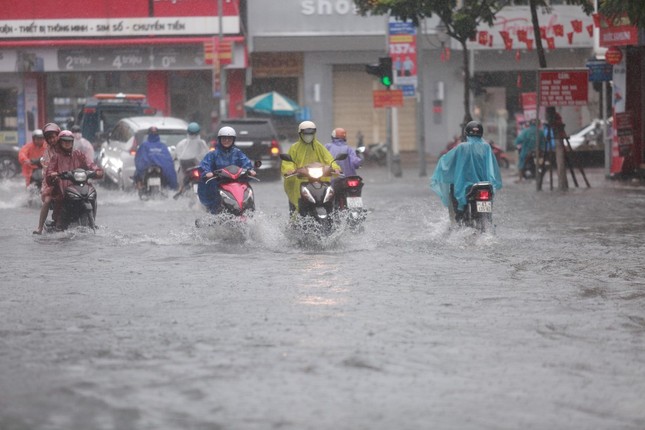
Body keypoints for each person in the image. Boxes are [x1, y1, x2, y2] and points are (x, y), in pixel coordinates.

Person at [431, 120, 502, 223]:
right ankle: (487, 222)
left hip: (465, 186)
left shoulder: (461, 147)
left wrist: (442, 163)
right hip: (484, 185)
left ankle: (460, 220)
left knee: (458, 209)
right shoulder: (486, 147)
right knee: (487, 216)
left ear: (466, 133)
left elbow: (447, 162)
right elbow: (493, 167)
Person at [45, 131, 104, 231]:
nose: (67, 143)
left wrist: (97, 170)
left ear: (73, 142)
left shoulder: (78, 154)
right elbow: (49, 171)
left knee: (92, 192)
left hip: (79, 185)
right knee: (59, 198)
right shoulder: (56, 157)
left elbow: (90, 164)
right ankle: (59, 224)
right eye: (64, 141)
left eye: (69, 141)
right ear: (60, 142)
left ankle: (92, 220)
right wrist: (53, 174)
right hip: (62, 187)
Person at [281, 120, 341, 214]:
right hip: (299, 180)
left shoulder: (319, 147)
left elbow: (328, 159)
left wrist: (335, 167)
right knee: (296, 209)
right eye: (306, 133)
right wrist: (289, 170)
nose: (308, 136)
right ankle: (295, 224)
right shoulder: (294, 148)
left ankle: (330, 219)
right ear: (300, 134)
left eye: (311, 133)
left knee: (328, 199)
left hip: (318, 179)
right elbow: (287, 163)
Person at [198, 126, 255, 214]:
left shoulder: (238, 153)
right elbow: (205, 165)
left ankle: (249, 210)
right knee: (213, 195)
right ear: (219, 139)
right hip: (218, 183)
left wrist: (249, 170)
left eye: (229, 139)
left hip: (237, 182)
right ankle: (215, 213)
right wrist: (207, 172)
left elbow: (246, 163)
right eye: (224, 138)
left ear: (233, 140)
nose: (227, 141)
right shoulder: (213, 154)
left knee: (247, 191)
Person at [33, 123, 61, 234]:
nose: (52, 140)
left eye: (53, 137)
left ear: (58, 135)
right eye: (49, 138)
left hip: (68, 178)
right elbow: (46, 168)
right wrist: (53, 174)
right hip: (52, 182)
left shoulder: (66, 144)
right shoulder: (48, 151)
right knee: (48, 200)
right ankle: (40, 227)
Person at [134, 126, 178, 190]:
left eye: (154, 132)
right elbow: (139, 158)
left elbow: (167, 160)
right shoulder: (146, 145)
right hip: (149, 169)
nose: (153, 134)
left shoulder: (161, 146)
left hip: (159, 170)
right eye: (153, 132)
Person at [175, 122, 210, 196]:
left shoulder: (182, 143)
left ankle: (182, 189)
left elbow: (207, 155)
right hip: (191, 170)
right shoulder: (201, 143)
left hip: (193, 170)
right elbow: (208, 155)